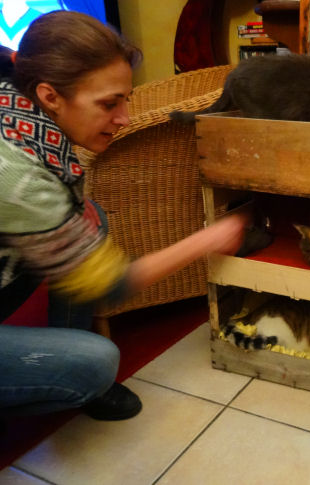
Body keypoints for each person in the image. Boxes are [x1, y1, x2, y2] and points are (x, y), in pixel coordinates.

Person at [0, 11, 246, 421]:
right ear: (49, 96)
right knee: (95, 364)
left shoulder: (16, 100)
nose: (124, 119)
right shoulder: (18, 177)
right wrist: (208, 239)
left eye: (126, 99)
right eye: (108, 104)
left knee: (90, 215)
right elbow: (111, 285)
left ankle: (63, 345)